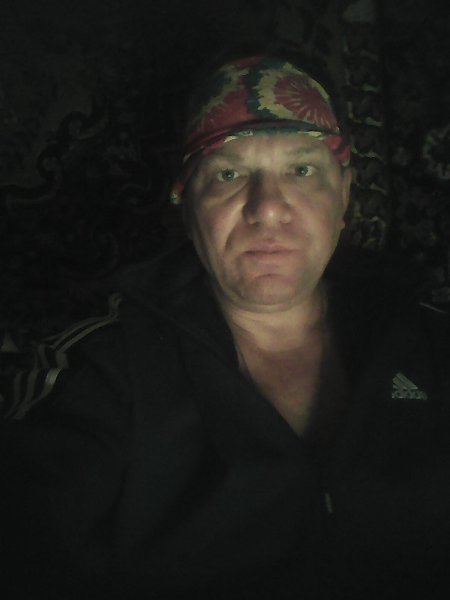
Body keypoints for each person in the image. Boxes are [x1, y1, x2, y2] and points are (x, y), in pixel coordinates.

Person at [1, 52, 450, 600]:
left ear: (345, 195)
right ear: (186, 200)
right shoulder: (97, 370)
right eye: (229, 174)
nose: (268, 209)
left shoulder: (430, 340)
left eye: (302, 170)